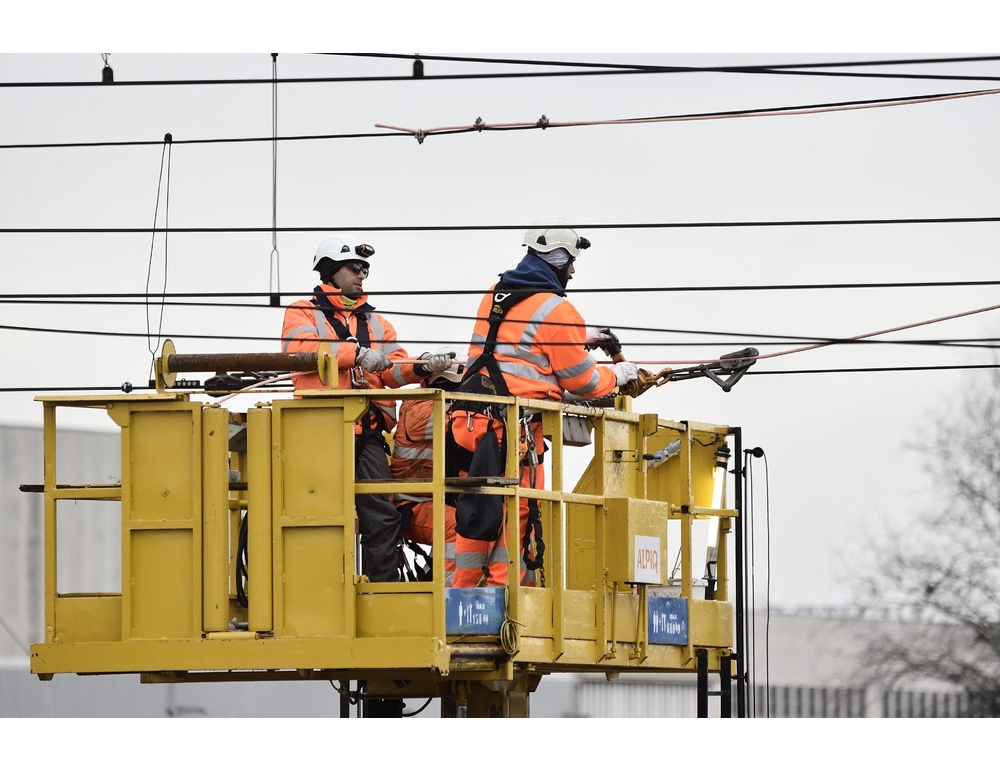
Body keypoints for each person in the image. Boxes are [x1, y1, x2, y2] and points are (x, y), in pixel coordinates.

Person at [449, 217, 639, 588]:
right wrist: (621, 374)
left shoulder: (496, 292)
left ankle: (462, 597)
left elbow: (516, 339)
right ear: (560, 260)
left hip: (471, 422)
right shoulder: (557, 310)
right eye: (571, 264)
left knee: (477, 510)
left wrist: (582, 336)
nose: (573, 272)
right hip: (514, 431)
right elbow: (585, 382)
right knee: (518, 513)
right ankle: (502, 602)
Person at [281, 234, 453, 582]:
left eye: (364, 270)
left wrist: (421, 367)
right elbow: (299, 350)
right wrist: (354, 354)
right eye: (354, 268)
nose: (361, 275)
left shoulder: (376, 323)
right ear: (330, 271)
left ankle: (383, 591)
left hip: (366, 432)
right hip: (318, 430)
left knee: (381, 514)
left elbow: (394, 367)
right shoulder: (303, 311)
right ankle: (317, 588)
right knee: (317, 514)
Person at [390, 362, 463, 586]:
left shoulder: (441, 404)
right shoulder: (420, 408)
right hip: (412, 505)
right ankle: (450, 595)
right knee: (456, 528)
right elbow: (458, 420)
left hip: (435, 500)